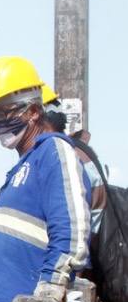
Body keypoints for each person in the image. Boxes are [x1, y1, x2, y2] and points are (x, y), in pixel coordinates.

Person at [0, 57, 91, 302]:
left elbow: (72, 227)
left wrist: (51, 288)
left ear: (33, 110)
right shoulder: (27, 161)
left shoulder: (53, 150)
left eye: (5, 114)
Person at [43, 84, 106, 274]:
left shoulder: (65, 157)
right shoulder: (79, 151)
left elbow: (75, 228)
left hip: (77, 270)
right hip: (86, 263)